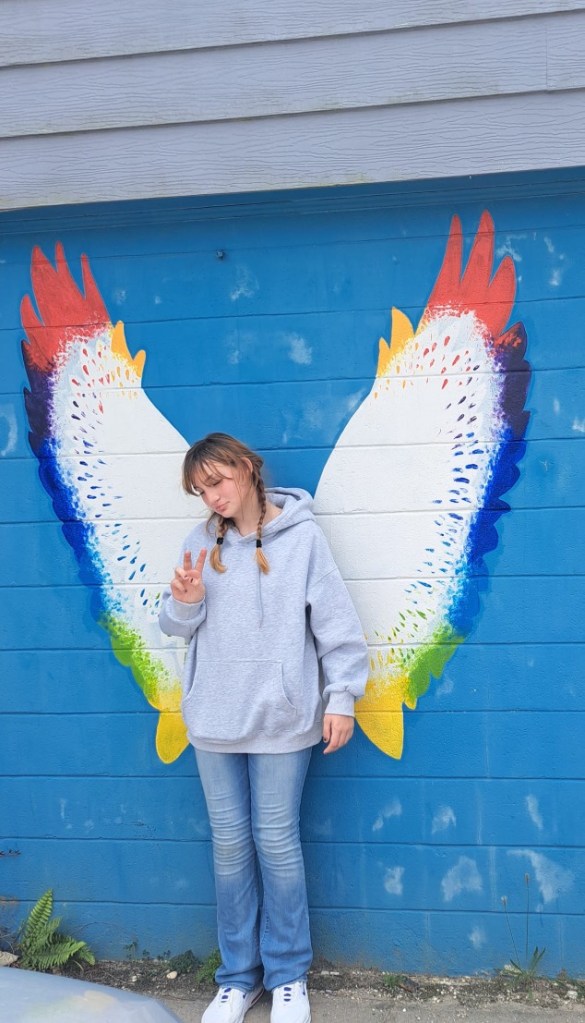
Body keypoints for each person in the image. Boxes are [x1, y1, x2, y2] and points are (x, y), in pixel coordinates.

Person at [159, 433, 368, 1023]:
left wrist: (342, 697)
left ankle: (287, 978)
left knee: (276, 844)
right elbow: (176, 625)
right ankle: (236, 979)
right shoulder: (200, 541)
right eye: (201, 489)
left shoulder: (302, 539)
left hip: (282, 719)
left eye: (219, 481)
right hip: (213, 721)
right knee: (229, 847)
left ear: (247, 469)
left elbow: (336, 625)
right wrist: (186, 601)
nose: (213, 496)